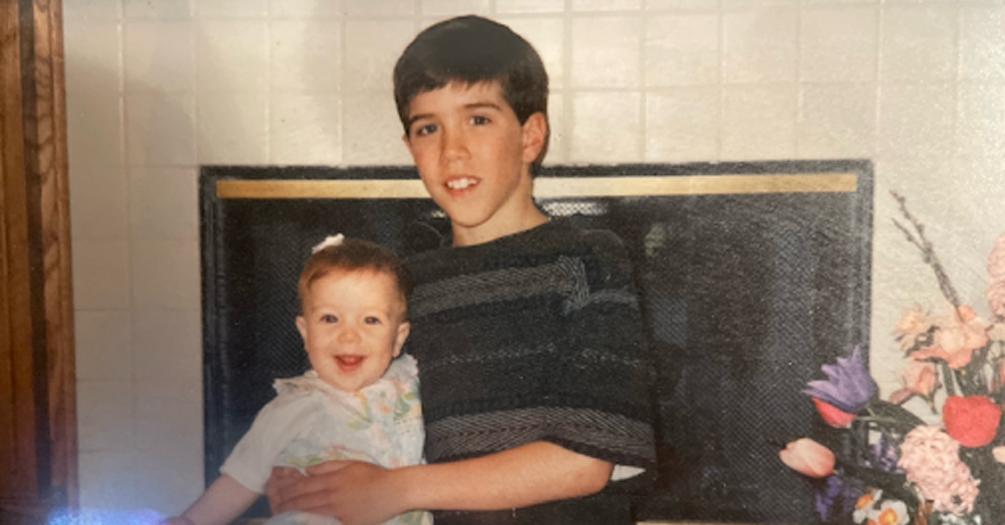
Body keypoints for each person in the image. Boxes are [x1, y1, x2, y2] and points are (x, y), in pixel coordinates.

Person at [266, 15, 656, 525]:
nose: (452, 151)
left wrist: (392, 489)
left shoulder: (586, 260)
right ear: (411, 148)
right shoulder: (402, 280)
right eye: (428, 128)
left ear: (531, 136)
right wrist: (309, 475)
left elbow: (584, 463)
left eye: (478, 119)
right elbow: (355, 402)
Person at [165, 236, 432, 525]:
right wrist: (189, 522)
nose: (348, 336)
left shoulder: (409, 384)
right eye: (330, 319)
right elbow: (240, 482)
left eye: (370, 320)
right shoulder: (295, 406)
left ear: (398, 339)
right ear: (305, 333)